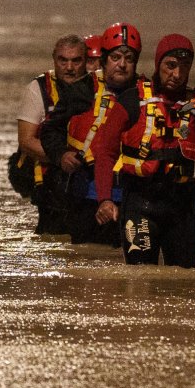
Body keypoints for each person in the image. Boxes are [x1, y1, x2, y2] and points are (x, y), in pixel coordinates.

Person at [91, 33, 195, 267]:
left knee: (182, 283)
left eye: (184, 67)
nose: (177, 75)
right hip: (139, 204)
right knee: (140, 280)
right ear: (158, 64)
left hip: (183, 208)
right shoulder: (131, 101)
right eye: (171, 66)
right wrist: (105, 199)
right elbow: (105, 152)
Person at [39, 22, 144, 247]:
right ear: (105, 59)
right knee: (86, 263)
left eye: (129, 59)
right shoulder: (83, 89)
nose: (122, 65)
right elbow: (50, 129)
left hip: (131, 196)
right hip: (86, 195)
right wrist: (61, 155)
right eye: (116, 58)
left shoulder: (146, 94)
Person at [12, 33, 91, 234]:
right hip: (51, 182)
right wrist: (62, 158)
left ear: (87, 61)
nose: (70, 67)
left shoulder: (99, 88)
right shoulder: (38, 89)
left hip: (90, 179)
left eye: (76, 61)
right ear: (54, 59)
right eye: (63, 60)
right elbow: (26, 141)